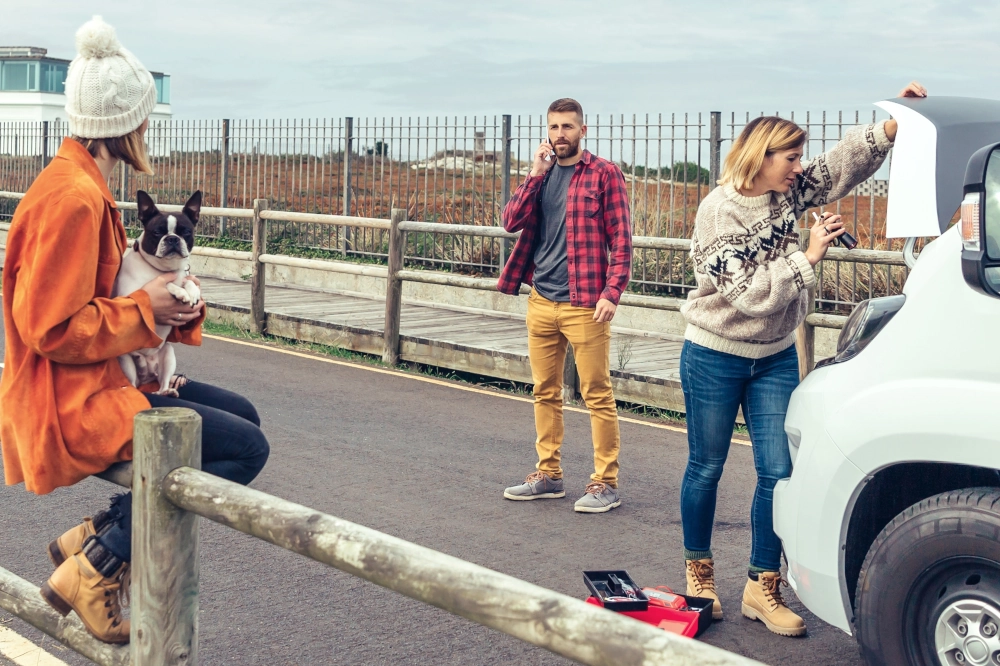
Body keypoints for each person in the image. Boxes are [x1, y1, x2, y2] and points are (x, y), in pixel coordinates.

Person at [0, 16, 270, 644]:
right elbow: (49, 328)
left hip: (100, 377)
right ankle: (96, 566)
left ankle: (98, 534)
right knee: (246, 449)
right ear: (124, 122)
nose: (148, 130)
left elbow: (107, 299)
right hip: (71, 401)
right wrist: (148, 308)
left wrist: (170, 306)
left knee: (244, 415)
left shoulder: (81, 184)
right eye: (145, 119)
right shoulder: (73, 199)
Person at [678, 81, 928, 637]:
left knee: (778, 472)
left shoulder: (787, 192)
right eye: (790, 157)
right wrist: (806, 255)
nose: (798, 167)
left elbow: (838, 166)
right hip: (714, 354)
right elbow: (748, 295)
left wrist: (894, 126)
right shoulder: (718, 212)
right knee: (707, 466)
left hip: (772, 356)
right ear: (759, 157)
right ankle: (699, 574)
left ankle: (761, 586)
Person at [498, 98, 632, 513]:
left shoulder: (605, 174)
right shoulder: (542, 174)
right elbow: (510, 221)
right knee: (544, 391)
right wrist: (533, 175)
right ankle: (548, 475)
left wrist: (612, 292)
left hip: (585, 304)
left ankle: (605, 483)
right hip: (541, 299)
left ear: (582, 130)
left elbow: (622, 239)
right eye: (554, 127)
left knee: (596, 393)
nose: (560, 134)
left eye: (568, 127)